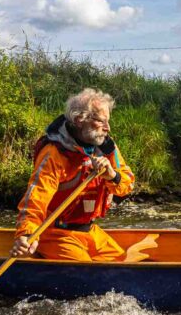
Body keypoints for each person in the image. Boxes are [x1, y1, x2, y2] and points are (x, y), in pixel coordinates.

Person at [10, 88, 135, 261]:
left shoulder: (106, 148)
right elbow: (35, 198)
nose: (108, 128)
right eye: (101, 121)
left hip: (89, 232)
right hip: (55, 233)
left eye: (108, 121)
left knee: (124, 264)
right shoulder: (54, 153)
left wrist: (112, 176)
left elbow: (126, 187)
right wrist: (26, 234)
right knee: (87, 272)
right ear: (79, 120)